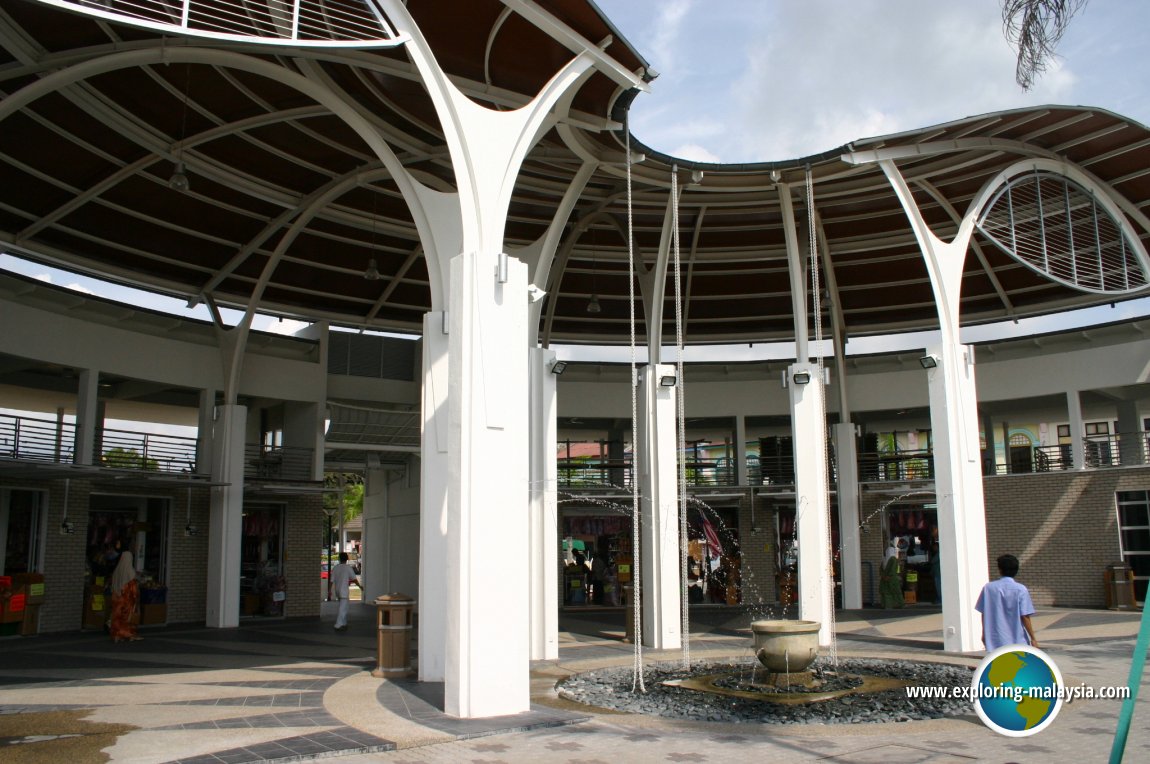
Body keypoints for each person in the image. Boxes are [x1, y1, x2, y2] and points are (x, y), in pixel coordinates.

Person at [976, 553, 1039, 651]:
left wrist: (984, 633)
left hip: (995, 640)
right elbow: (1025, 616)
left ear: (1000, 569)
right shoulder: (1021, 589)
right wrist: (1033, 638)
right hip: (1017, 639)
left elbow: (984, 613)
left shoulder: (988, 588)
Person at [109, 549, 141, 642]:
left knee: (116, 617)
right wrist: (136, 597)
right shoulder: (130, 571)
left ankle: (117, 635)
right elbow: (133, 587)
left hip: (116, 597)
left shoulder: (116, 570)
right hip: (126, 599)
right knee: (126, 617)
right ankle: (128, 634)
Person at [329, 551, 359, 631]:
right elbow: (354, 579)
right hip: (344, 591)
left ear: (339, 558)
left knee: (344, 607)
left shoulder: (336, 568)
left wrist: (329, 590)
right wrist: (360, 586)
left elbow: (331, 581)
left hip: (338, 591)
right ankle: (338, 624)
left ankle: (344, 623)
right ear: (347, 559)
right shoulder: (348, 568)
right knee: (342, 608)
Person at [879, 542, 904, 609]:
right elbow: (893, 569)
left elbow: (880, 569)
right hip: (892, 579)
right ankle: (898, 604)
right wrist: (889, 576)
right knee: (896, 592)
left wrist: (883, 576)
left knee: (886, 593)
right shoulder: (893, 559)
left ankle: (887, 605)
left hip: (884, 580)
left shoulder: (884, 559)